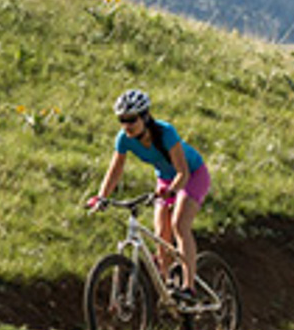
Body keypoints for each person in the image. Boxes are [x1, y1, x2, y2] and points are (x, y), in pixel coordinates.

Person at [89, 89, 211, 301]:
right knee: (161, 233)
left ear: (145, 117)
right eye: (121, 120)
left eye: (131, 119)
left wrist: (172, 191)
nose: (126, 125)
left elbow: (183, 172)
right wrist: (101, 197)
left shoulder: (166, 132)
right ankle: (168, 288)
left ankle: (188, 286)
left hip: (192, 175)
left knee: (179, 224)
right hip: (165, 179)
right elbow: (115, 170)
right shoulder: (124, 139)